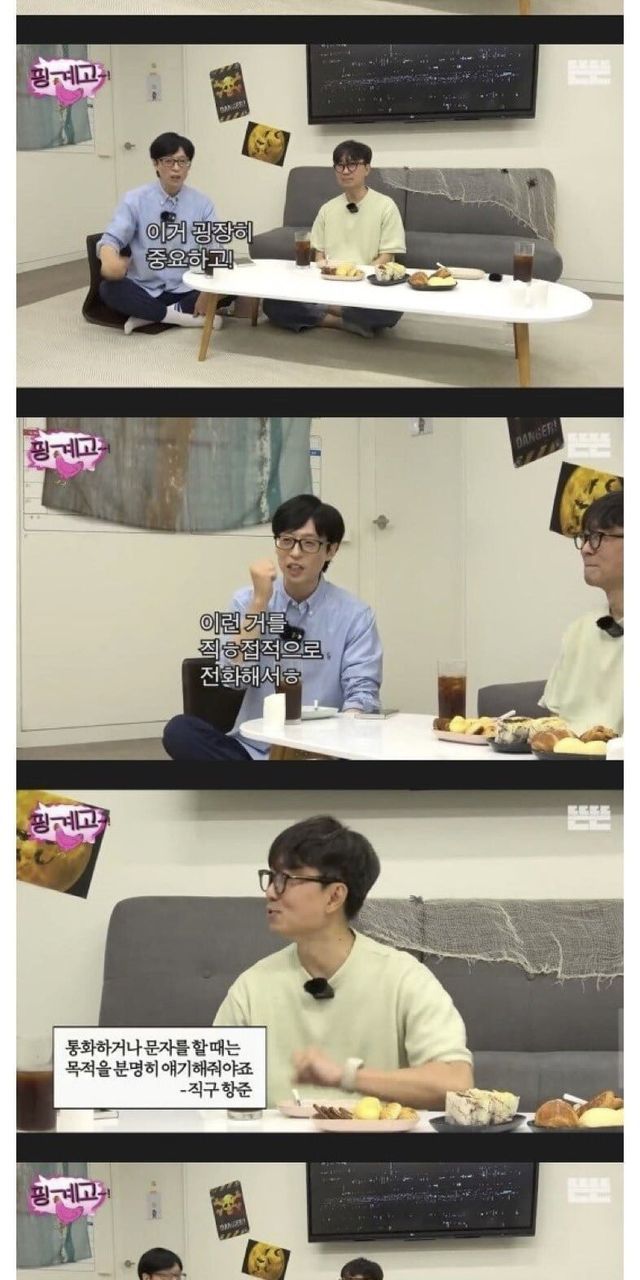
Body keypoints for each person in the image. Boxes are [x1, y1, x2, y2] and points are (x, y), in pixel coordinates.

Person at [213, 816, 474, 1107]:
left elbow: (455, 1082)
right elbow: (213, 1092)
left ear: (334, 896)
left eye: (288, 879)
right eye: (272, 877)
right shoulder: (252, 986)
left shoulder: (403, 978)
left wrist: (346, 1077)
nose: (271, 891)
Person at [163, 494, 383, 761]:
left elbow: (362, 693)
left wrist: (340, 742)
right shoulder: (246, 601)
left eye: (309, 543)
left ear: (331, 550)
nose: (295, 553)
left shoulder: (355, 616)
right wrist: (259, 602)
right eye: (286, 540)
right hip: (253, 750)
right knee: (180, 731)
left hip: (321, 753)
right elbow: (232, 678)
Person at [263, 140, 406, 339]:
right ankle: (340, 321)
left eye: (352, 164)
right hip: (328, 285)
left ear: (367, 168)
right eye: (340, 165)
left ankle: (323, 311)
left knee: (392, 310)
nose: (345, 171)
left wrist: (358, 278)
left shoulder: (386, 206)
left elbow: (386, 257)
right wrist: (326, 274)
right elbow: (319, 256)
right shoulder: (327, 209)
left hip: (365, 286)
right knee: (272, 303)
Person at [98, 131, 230, 334]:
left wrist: (207, 291)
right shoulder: (134, 200)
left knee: (230, 283)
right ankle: (182, 318)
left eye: (182, 162)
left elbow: (215, 247)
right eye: (169, 161)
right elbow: (111, 239)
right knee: (109, 289)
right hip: (145, 287)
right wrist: (110, 260)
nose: (176, 168)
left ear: (188, 166)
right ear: (156, 164)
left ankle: (149, 316)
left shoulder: (202, 203)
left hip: (186, 287)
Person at [540, 490, 623, 734]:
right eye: (585, 537)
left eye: (598, 537)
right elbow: (553, 723)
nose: (585, 549)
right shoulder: (579, 631)